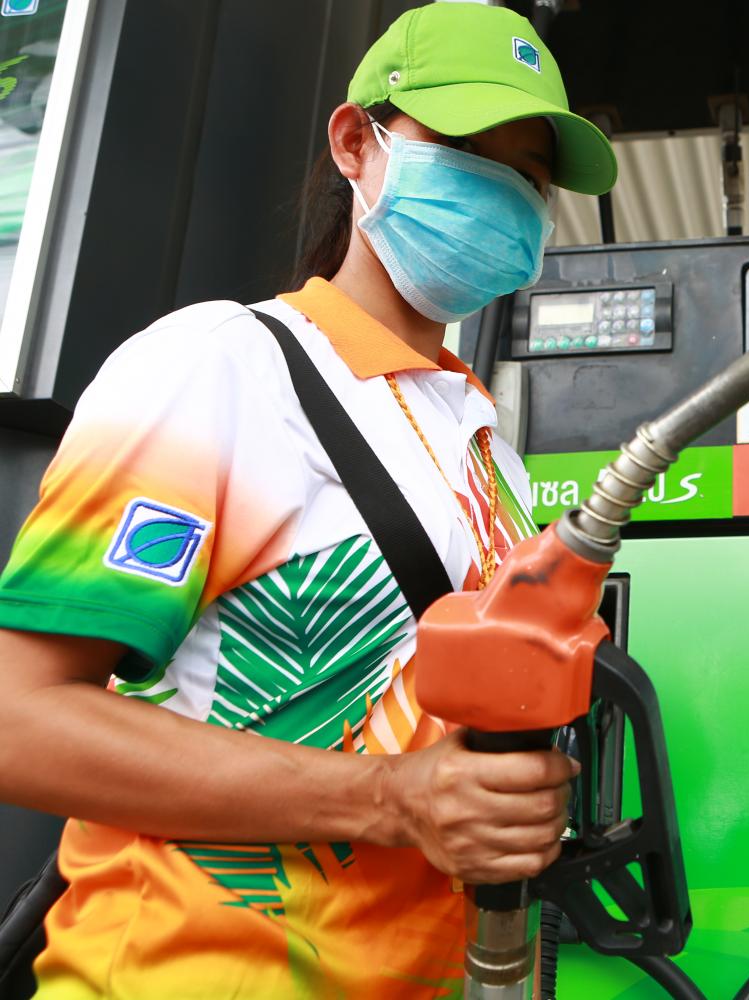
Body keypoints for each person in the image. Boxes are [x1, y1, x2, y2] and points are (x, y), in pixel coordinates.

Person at [0, 4, 616, 996]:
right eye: (467, 150)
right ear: (354, 143)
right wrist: (392, 797)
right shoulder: (220, 366)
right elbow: (18, 718)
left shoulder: (489, 446)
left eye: (530, 179)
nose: (502, 195)